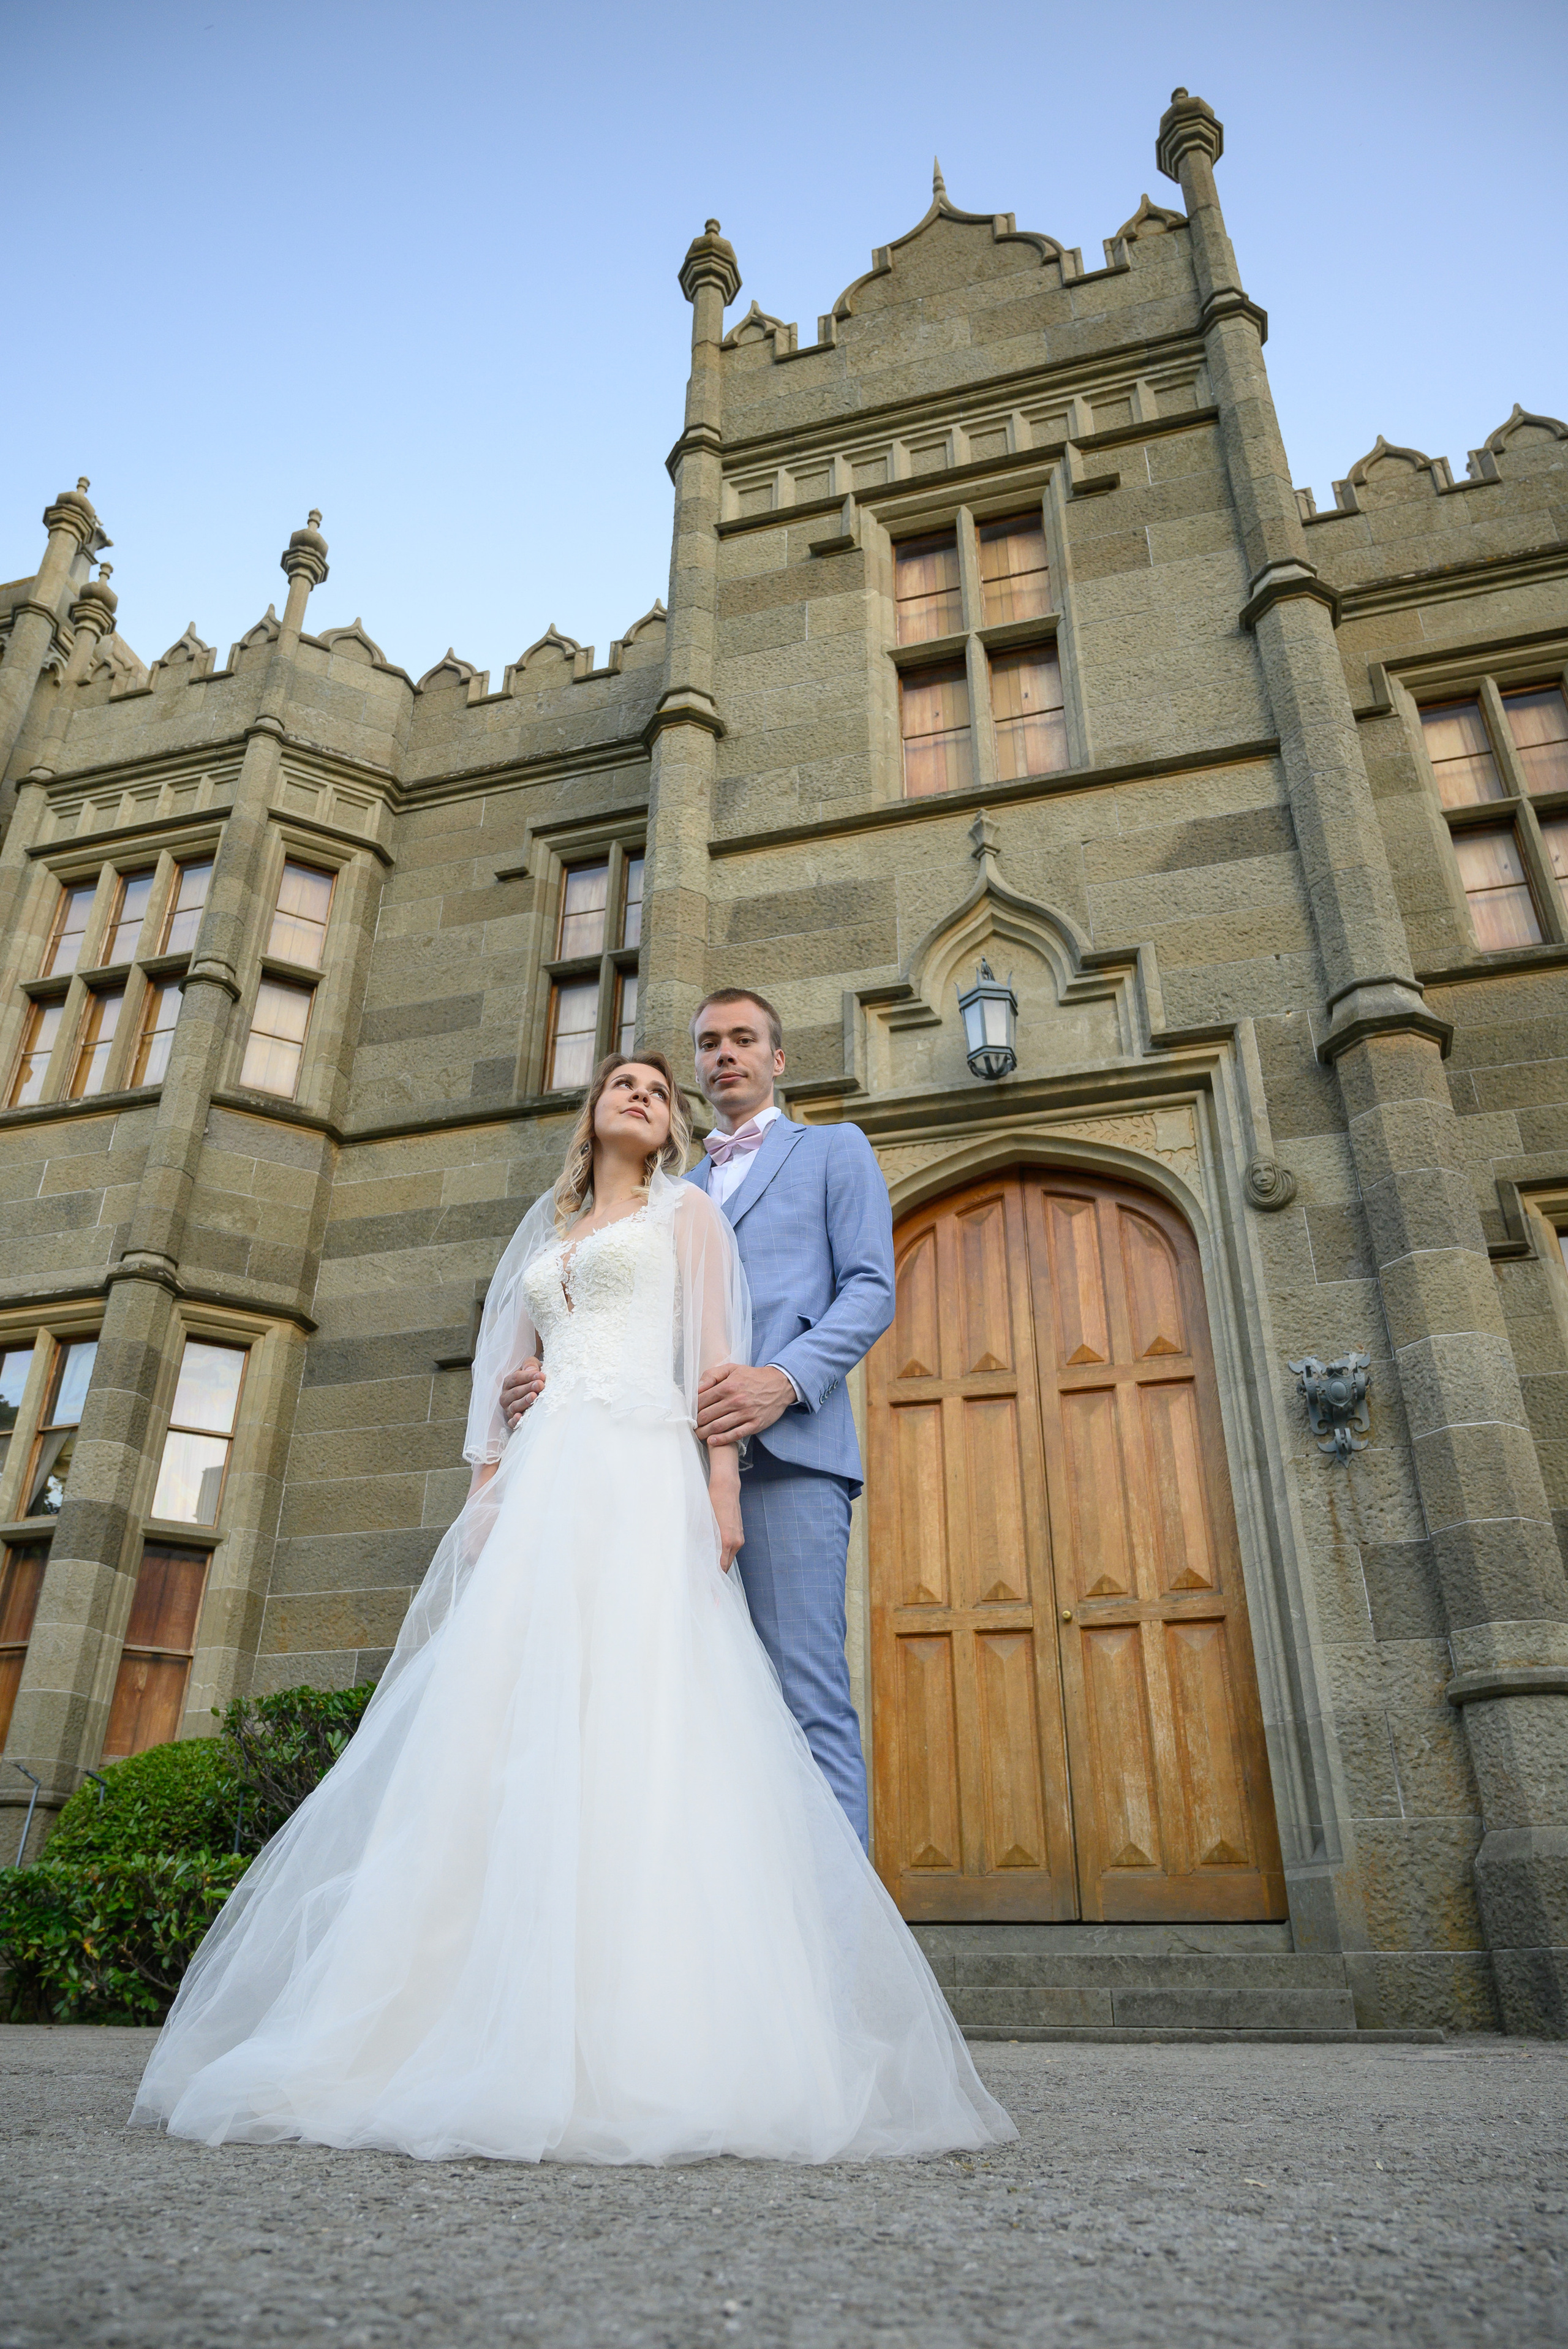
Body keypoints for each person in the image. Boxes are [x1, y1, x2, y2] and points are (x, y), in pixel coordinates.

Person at [132, 1053, 1013, 2166]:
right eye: (623, 1084)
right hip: (547, 1480)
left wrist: (723, 1491)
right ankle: (462, 2005)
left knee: (645, 1713)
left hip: (644, 1472)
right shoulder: (543, 1242)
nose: (643, 1095)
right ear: (592, 1113)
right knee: (505, 1724)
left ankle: (649, 2021)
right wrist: (488, 1495)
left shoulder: (689, 1218)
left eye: (660, 1087)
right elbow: (507, 1382)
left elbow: (712, 1361)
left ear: (674, 1124)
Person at [503, 989, 892, 1850]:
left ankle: (835, 1954)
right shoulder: (662, 1184)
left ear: (777, 1058)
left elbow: (871, 1288)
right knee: (664, 1698)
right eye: (709, 1042)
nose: (725, 1055)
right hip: (650, 1471)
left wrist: (783, 1381)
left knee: (803, 1694)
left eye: (744, 1039)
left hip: (785, 1461)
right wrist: (541, 1376)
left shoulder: (833, 1151)